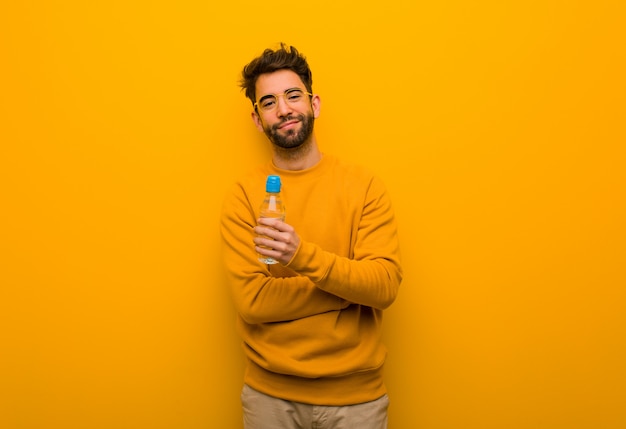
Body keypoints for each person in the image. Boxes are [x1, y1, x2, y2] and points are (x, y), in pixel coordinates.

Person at [220, 43, 403, 429]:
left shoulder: (363, 186)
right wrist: (346, 293)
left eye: (292, 96)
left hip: (357, 402)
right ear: (257, 119)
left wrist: (301, 256)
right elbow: (253, 302)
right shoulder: (244, 195)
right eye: (268, 102)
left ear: (314, 104)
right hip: (269, 399)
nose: (283, 109)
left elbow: (383, 286)